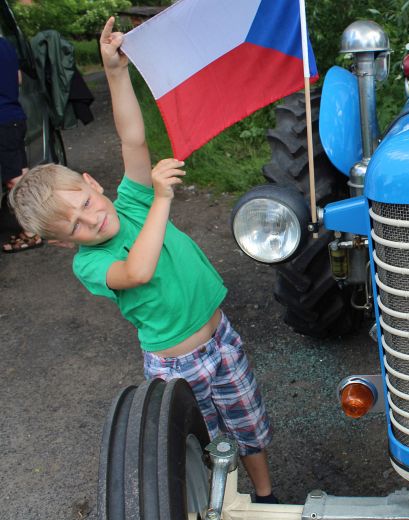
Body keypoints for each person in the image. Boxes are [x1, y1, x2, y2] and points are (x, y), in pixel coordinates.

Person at [8, 18, 277, 503]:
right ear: (65, 245)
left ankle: (266, 493)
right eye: (74, 228)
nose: (90, 222)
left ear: (92, 183)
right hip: (176, 364)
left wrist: (115, 73)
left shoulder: (127, 201)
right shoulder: (90, 263)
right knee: (199, 445)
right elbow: (139, 271)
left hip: (221, 336)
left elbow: (132, 139)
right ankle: (218, 506)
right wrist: (161, 201)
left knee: (249, 422)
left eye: (86, 204)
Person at [0, 35, 41, 253]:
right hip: (14, 117)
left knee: (14, 179)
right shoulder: (6, 43)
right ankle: (35, 225)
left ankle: (33, 233)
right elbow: (18, 79)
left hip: (3, 121)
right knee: (21, 175)